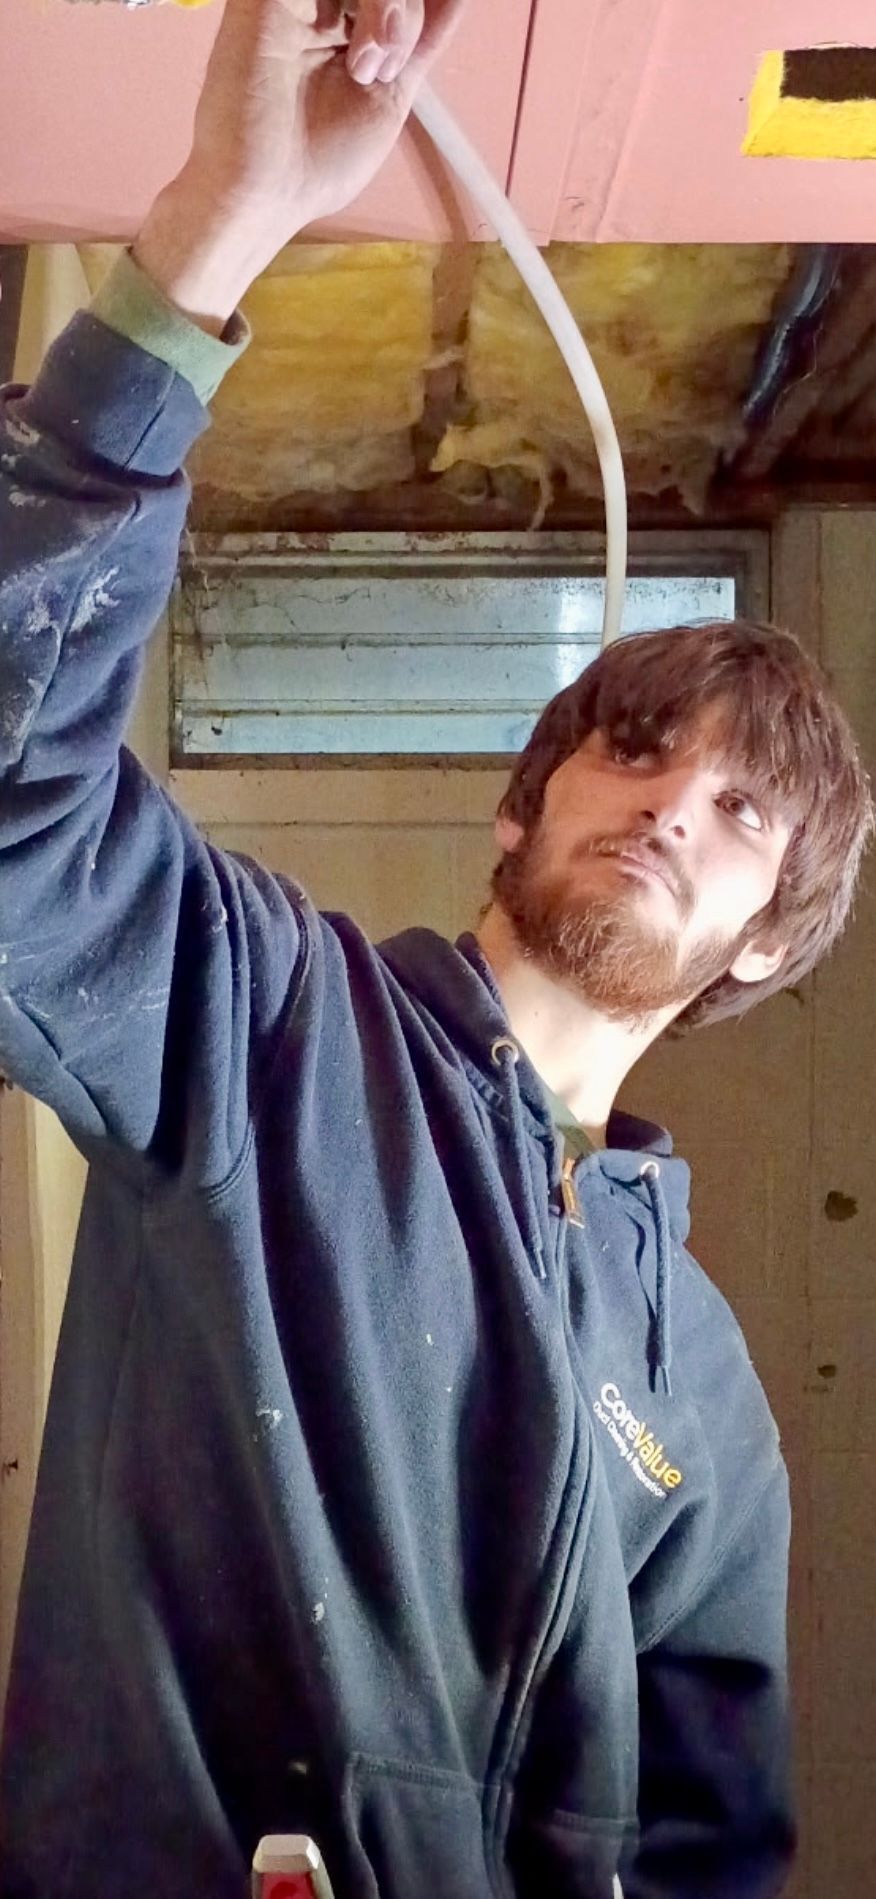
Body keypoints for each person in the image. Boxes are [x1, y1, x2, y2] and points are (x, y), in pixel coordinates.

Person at [0, 2, 872, 1895]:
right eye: (638, 749)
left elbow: (713, 1844)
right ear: (521, 805)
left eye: (745, 814)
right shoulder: (261, 1025)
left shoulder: (707, 1391)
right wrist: (217, 228)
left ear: (763, 944)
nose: (675, 804)